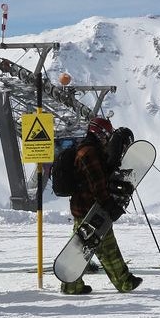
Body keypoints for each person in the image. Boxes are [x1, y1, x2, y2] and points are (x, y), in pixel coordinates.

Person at [62, 117, 142, 295]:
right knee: (107, 246)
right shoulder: (89, 153)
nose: (108, 139)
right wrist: (109, 206)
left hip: (83, 207)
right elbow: (97, 184)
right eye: (107, 135)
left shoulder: (88, 149)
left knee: (79, 247)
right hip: (91, 209)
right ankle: (124, 282)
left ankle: (71, 285)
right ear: (100, 134)